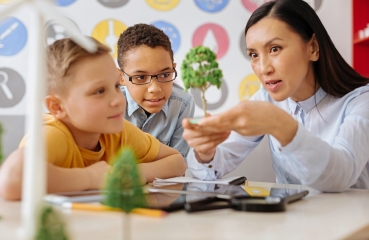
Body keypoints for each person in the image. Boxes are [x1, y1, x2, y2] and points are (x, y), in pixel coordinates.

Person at [182, 0, 369, 192]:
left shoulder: (362, 101)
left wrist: (282, 125)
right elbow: (208, 170)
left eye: (274, 49)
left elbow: (339, 177)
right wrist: (206, 153)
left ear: (312, 48)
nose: (263, 69)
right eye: (254, 55)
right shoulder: (265, 99)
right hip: (289, 220)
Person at [0, 37, 186, 200]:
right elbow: (12, 179)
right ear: (57, 107)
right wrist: (90, 178)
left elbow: (177, 161)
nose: (117, 100)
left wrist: (133, 174)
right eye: (99, 91)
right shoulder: (54, 134)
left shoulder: (118, 130)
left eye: (115, 86)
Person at [117, 23, 195, 159]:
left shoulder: (183, 104)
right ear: (121, 78)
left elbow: (178, 165)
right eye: (140, 77)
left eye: (165, 75)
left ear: (173, 68)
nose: (155, 88)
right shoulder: (110, 105)